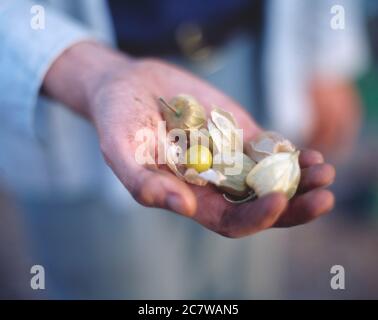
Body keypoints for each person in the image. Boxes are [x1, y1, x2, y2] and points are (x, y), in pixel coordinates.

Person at [0, 0, 338, 298]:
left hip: (251, 51)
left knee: (242, 283)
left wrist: (327, 58)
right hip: (72, 94)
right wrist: (94, 72)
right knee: (117, 282)